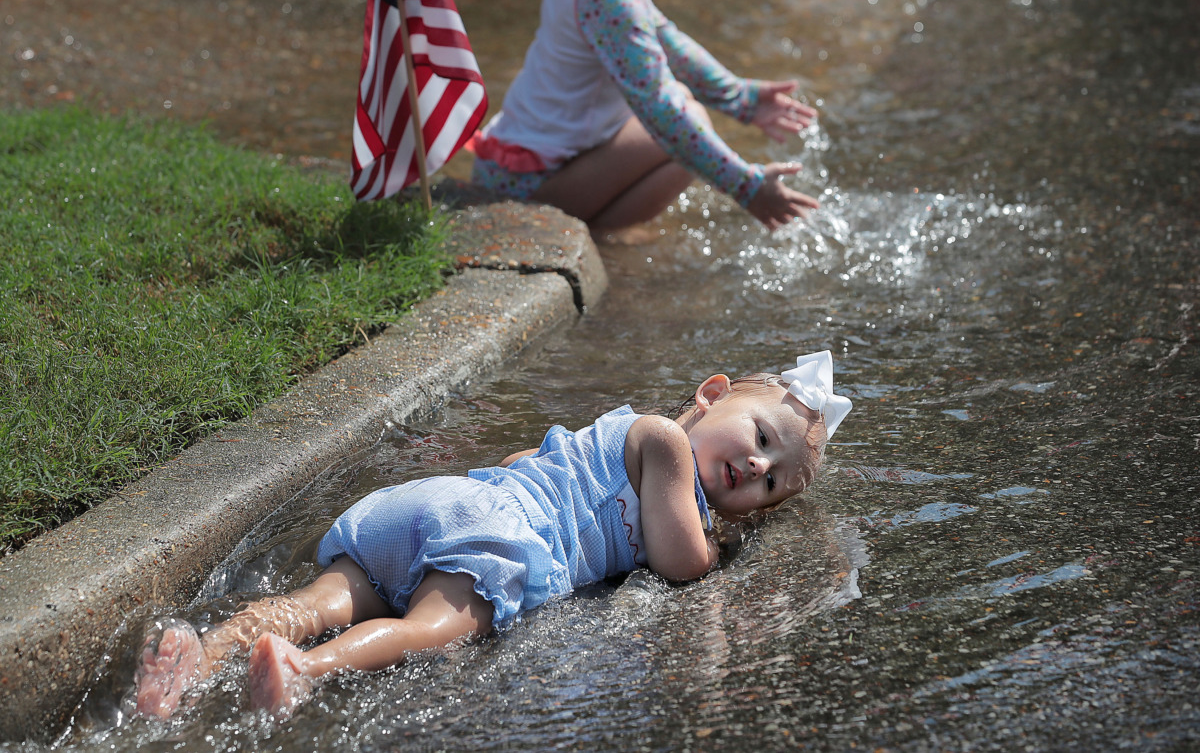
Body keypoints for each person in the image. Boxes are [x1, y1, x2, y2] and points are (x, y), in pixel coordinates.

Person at [133, 351, 852, 720]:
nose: (755, 466)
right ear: (711, 394)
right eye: (760, 437)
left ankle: (212, 650)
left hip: (440, 503)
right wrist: (721, 548)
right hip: (499, 537)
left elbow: (518, 462)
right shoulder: (664, 445)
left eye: (769, 484)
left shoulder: (611, 433)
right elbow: (681, 563)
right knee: (425, 629)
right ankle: (304, 671)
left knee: (322, 598)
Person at [468, 0, 821, 233]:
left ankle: (593, 235)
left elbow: (668, 42)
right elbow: (660, 110)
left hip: (515, 168)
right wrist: (746, 186)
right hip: (528, 190)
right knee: (686, 120)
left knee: (684, 116)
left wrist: (741, 98)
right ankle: (593, 239)